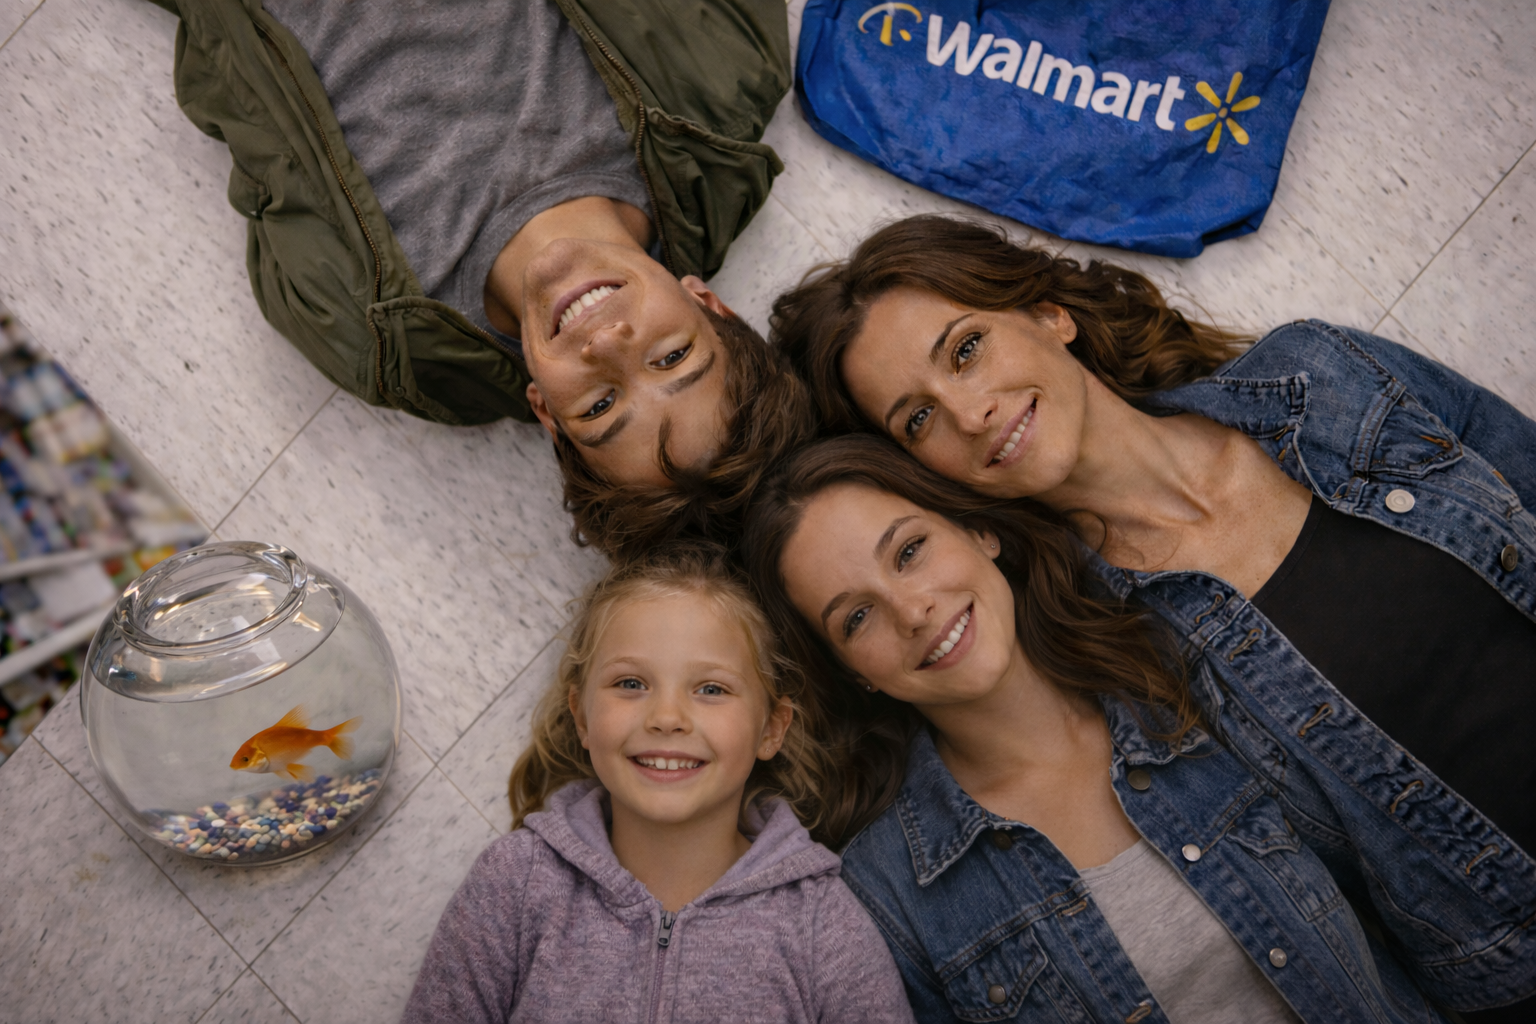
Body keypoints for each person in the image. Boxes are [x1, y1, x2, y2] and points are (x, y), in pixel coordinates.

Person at [769, 215, 1536, 1020]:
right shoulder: (1111, 650)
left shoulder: (1324, 379)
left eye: (965, 350)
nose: (969, 413)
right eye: (917, 420)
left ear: (1047, 314)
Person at [742, 435, 1450, 1024]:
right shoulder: (888, 890)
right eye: (856, 618)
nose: (912, 609)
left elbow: (1404, 884)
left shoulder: (1180, 674)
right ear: (850, 670)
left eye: (909, 551)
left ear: (977, 530)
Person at [147, 0, 811, 556]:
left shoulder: (368, 333)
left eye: (600, 406)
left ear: (547, 412)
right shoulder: (723, 80)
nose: (607, 345)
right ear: (708, 305)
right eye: (671, 356)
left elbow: (239, 110)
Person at [400, 542, 915, 1023]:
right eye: (631, 683)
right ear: (581, 716)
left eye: (711, 689)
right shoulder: (513, 884)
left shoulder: (823, 927)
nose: (667, 717)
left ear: (771, 728)